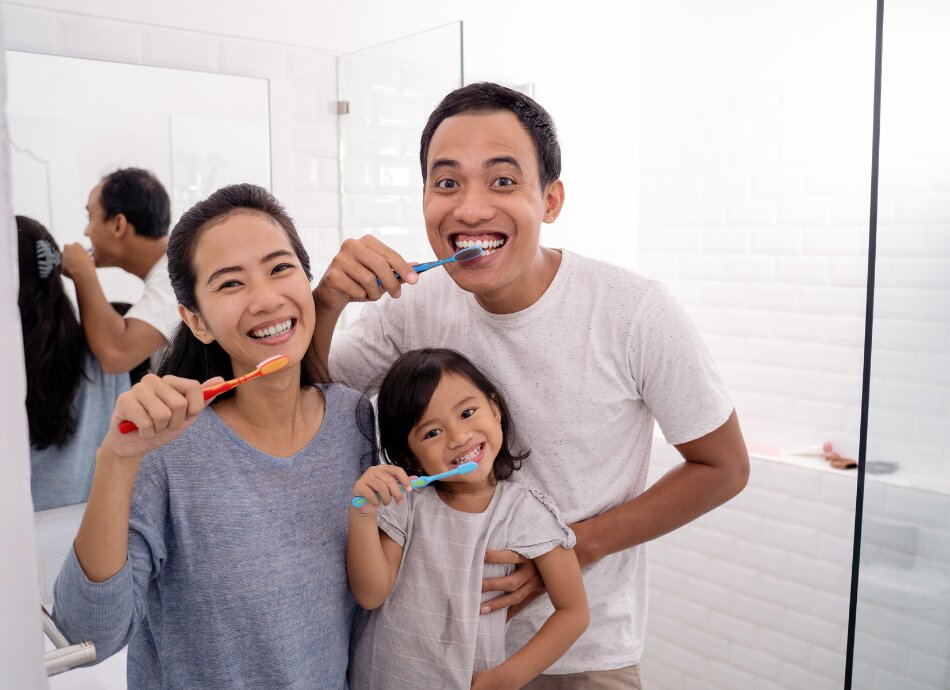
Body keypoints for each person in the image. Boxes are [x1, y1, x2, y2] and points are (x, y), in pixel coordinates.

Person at [313, 82, 750, 688]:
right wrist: (327, 301)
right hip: (433, 660)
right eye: (447, 183)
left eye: (502, 181)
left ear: (550, 200)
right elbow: (307, 404)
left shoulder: (635, 312)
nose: (469, 209)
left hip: (580, 660)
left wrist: (569, 551)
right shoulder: (413, 304)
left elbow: (724, 468)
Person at [52, 184, 373, 689]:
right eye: (230, 284)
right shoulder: (163, 453)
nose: (266, 298)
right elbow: (86, 637)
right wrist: (117, 459)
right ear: (195, 321)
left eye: (280, 268)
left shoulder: (353, 421)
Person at [348, 348, 588, 689]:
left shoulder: (525, 514)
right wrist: (362, 514)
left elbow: (574, 611)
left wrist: (507, 677)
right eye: (432, 433)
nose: (459, 437)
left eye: (467, 412)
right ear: (408, 455)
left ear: (494, 409)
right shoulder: (406, 505)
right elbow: (370, 595)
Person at [17, 215, 130, 511]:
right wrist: (83, 275)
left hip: (18, 541)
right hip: (92, 533)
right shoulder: (105, 356)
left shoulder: (11, 369)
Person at [61, 167, 179, 374]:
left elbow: (116, 354)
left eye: (90, 217)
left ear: (118, 225)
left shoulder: (175, 277)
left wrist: (82, 272)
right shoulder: (171, 270)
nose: (86, 231)